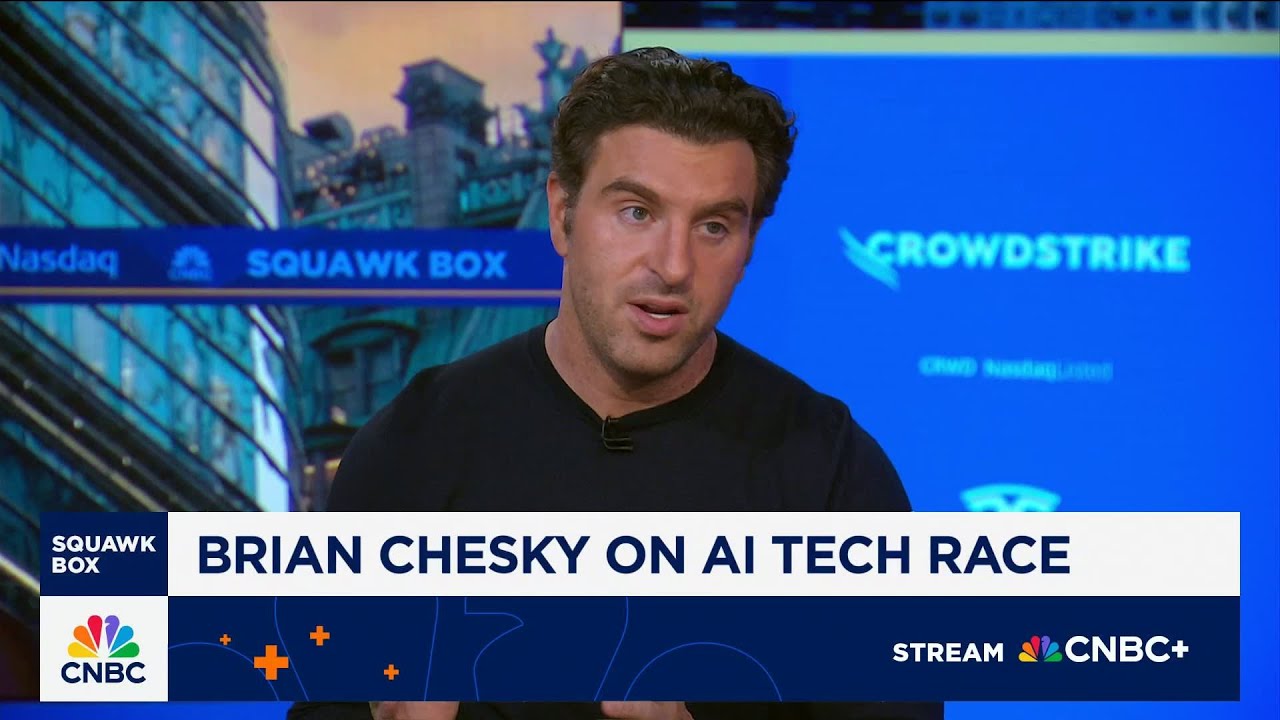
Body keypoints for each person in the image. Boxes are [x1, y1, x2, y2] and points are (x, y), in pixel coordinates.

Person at [288, 47, 942, 720]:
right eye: (636, 212)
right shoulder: (414, 443)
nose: (673, 265)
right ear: (562, 214)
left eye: (714, 226)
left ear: (748, 247)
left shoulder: (831, 474)